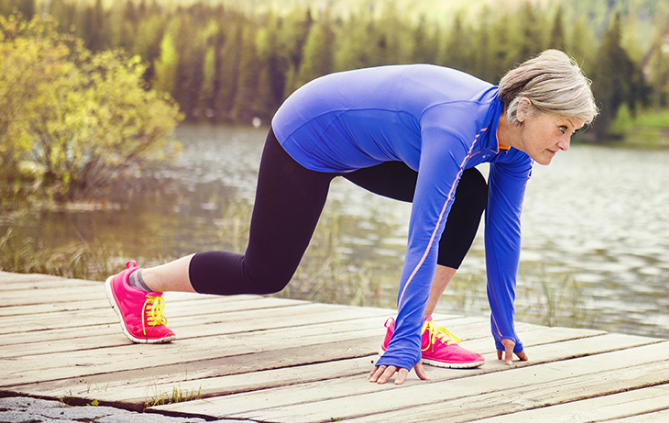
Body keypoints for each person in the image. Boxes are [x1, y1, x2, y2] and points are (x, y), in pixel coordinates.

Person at [104, 50, 597, 385]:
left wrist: (504, 325)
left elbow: (505, 233)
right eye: (561, 127)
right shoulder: (458, 128)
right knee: (264, 273)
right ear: (524, 109)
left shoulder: (512, 143)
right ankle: (137, 283)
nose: (564, 143)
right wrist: (400, 348)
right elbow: (423, 237)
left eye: (572, 131)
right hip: (309, 133)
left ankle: (417, 322)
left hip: (377, 144)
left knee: (472, 194)